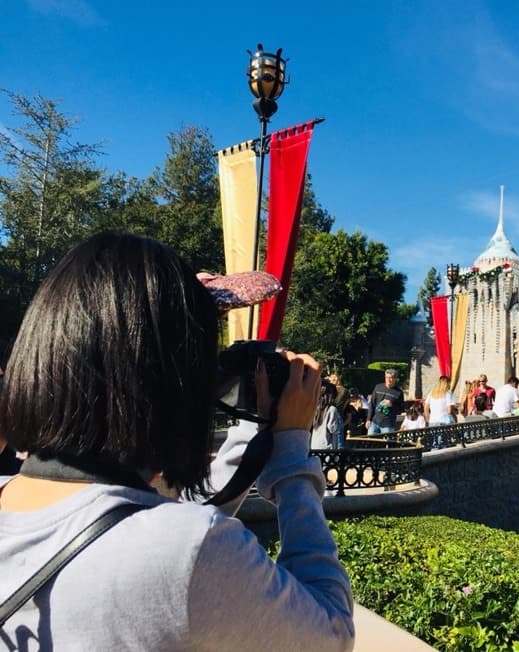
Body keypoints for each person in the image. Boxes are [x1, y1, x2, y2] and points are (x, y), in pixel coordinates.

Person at [0, 233, 354, 650]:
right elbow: (330, 633)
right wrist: (293, 453)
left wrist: (253, 426)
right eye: (206, 351)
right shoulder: (187, 548)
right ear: (170, 377)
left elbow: (148, 519)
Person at [366, 368, 404, 435]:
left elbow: (401, 409)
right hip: (375, 422)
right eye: (387, 377)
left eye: (391, 378)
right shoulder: (378, 387)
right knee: (370, 442)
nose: (389, 380)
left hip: (388, 424)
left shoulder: (399, 392)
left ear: (395, 379)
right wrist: (369, 419)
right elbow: (372, 404)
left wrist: (391, 405)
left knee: (387, 443)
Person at [311, 381, 345, 449]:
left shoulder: (316, 409)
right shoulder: (332, 409)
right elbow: (333, 429)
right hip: (327, 448)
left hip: (315, 446)